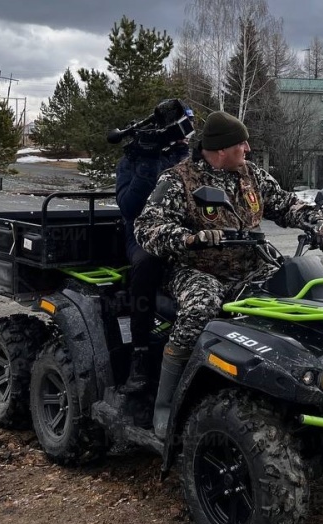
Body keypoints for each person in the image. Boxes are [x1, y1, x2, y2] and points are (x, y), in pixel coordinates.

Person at [134, 111, 323, 439]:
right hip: (196, 269)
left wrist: (316, 222)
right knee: (202, 306)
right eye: (240, 143)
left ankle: (303, 390)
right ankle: (167, 403)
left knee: (304, 289)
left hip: (252, 265)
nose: (248, 147)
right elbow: (147, 226)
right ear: (218, 150)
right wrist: (189, 239)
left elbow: (284, 204)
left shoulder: (250, 175)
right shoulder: (178, 180)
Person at [115, 99, 194, 396]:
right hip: (142, 234)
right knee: (148, 263)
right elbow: (129, 206)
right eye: (183, 127)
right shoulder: (133, 160)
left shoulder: (189, 159)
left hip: (186, 233)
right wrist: (147, 164)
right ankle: (140, 354)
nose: (187, 135)